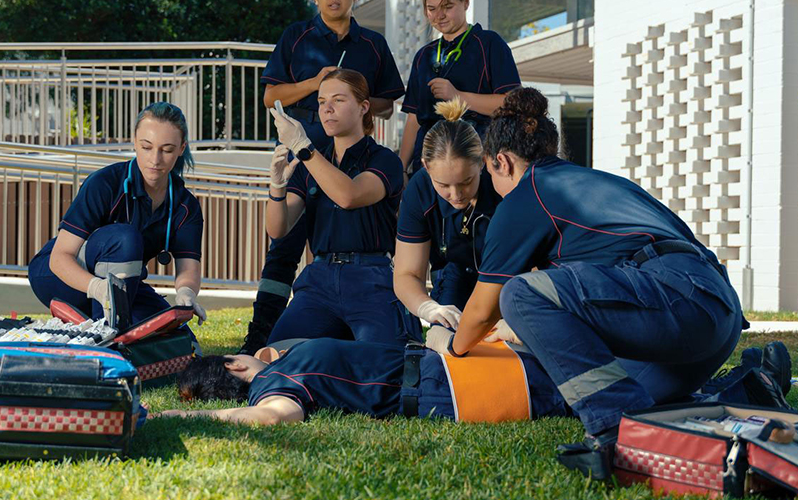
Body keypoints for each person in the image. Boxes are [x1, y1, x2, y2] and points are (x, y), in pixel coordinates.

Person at [422, 87, 750, 475]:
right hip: (716, 317)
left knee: (519, 295)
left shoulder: (526, 195)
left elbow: (482, 311)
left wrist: (449, 344)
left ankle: (616, 433)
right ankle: (748, 386)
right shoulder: (595, 183)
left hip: (678, 304)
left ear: (502, 162)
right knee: (632, 388)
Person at [242, 0, 406, 354]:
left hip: (354, 162)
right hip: (305, 160)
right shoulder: (297, 36)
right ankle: (260, 336)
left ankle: (358, 325)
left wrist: (357, 98)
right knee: (283, 252)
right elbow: (270, 97)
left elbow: (388, 99)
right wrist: (315, 85)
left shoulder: (372, 44)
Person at [151, 340, 790, 428]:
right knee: (593, 385)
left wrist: (174, 419)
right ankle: (742, 382)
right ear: (237, 363)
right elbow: (277, 415)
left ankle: (740, 383)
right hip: (447, 381)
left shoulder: (278, 369)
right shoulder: (283, 368)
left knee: (592, 387)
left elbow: (275, 415)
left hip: (446, 381)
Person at [264, 68, 417, 347]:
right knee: (277, 355)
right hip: (319, 280)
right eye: (321, 102)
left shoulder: (384, 160)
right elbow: (278, 229)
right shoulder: (310, 162)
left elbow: (349, 196)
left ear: (363, 107)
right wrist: (276, 186)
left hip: (372, 276)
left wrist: (302, 145)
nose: (327, 109)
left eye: (338, 100)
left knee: (386, 363)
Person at [28, 102, 206, 342]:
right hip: (57, 274)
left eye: (167, 149)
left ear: (181, 148)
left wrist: (186, 295)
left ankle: (110, 327)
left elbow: (188, 270)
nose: (155, 159)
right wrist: (97, 288)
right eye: (146, 147)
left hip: (120, 284)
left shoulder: (186, 206)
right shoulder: (104, 183)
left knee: (181, 339)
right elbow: (59, 258)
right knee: (126, 238)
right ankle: (105, 336)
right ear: (134, 142)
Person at [398, 0, 520, 177]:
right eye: (432, 9)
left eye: (447, 7)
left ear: (466, 2)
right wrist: (400, 168)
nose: (439, 16)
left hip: (476, 163)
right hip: (427, 164)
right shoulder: (424, 56)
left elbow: (511, 105)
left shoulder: (489, 44)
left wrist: (458, 97)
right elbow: (414, 119)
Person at [393, 98, 501, 328]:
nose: (456, 194)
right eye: (443, 185)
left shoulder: (502, 183)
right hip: (452, 279)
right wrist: (428, 308)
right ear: (425, 167)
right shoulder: (419, 189)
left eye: (466, 182)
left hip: (503, 281)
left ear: (482, 162)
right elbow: (406, 274)